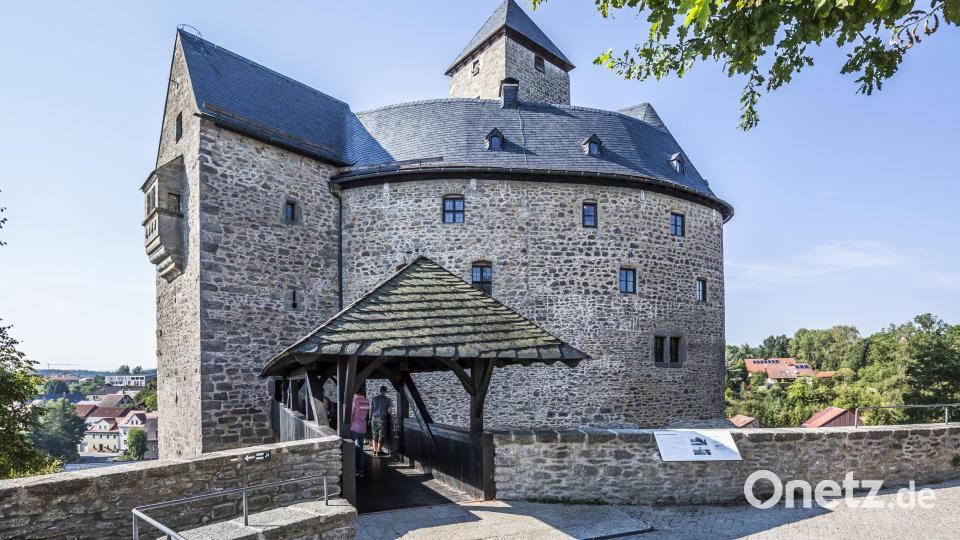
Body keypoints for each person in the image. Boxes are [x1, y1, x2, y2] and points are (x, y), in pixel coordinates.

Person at [350, 389, 371, 477]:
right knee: (360, 449)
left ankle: (353, 470)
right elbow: (367, 415)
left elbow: (351, 415)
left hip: (354, 427)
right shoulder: (366, 401)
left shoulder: (354, 400)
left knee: (350, 449)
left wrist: (348, 425)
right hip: (363, 427)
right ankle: (360, 470)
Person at [370, 386, 393, 456]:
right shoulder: (388, 400)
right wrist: (392, 414)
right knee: (381, 435)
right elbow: (390, 411)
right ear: (385, 392)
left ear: (379, 391)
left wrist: (370, 418)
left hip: (374, 418)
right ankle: (379, 451)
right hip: (382, 418)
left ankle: (374, 450)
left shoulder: (374, 399)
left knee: (374, 434)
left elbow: (370, 409)